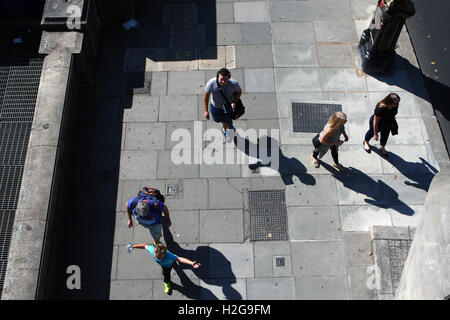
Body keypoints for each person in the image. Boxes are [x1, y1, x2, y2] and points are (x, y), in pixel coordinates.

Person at [127, 242, 200, 295]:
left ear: (164, 255)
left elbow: (180, 259)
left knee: (167, 274)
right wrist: (133, 246)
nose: (156, 258)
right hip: (166, 263)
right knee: (171, 270)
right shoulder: (152, 250)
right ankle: (168, 280)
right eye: (155, 256)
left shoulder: (168, 256)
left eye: (159, 257)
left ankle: (167, 283)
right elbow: (145, 246)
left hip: (168, 265)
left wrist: (191, 263)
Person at [204, 68, 242, 143]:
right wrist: (206, 111)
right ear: (218, 76)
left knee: (227, 121)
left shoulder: (234, 84)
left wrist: (234, 101)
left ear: (229, 78)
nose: (223, 81)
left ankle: (225, 129)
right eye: (221, 79)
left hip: (227, 107)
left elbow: (239, 92)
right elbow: (206, 96)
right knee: (217, 119)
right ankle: (225, 124)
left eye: (226, 79)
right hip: (215, 107)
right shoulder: (211, 83)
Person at [363, 93, 400, 158]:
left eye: (397, 102)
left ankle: (382, 147)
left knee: (385, 136)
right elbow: (375, 122)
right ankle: (366, 142)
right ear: (389, 101)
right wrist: (375, 133)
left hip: (387, 123)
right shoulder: (380, 108)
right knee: (371, 132)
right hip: (378, 123)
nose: (397, 104)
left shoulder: (395, 105)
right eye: (395, 103)